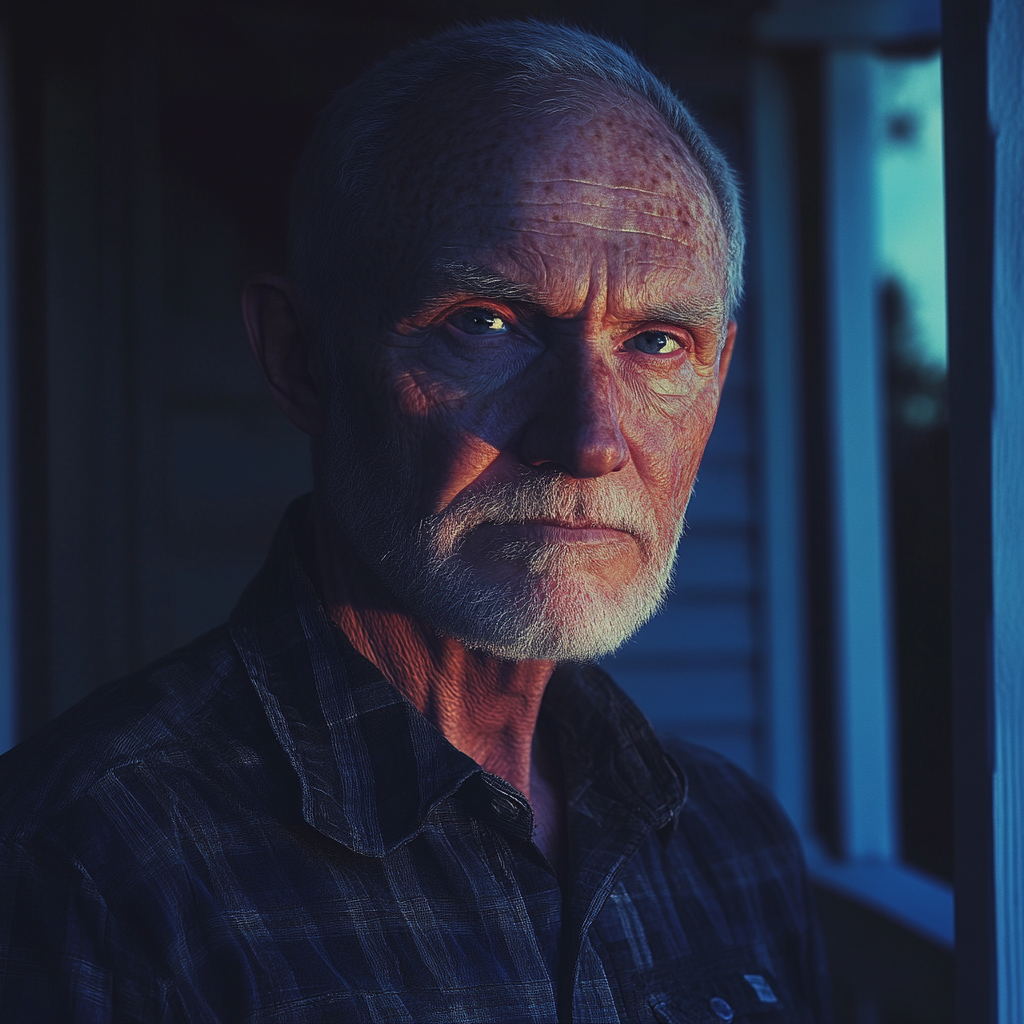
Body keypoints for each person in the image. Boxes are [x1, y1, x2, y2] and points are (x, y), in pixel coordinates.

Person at [0, 21, 829, 1023]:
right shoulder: (87, 862)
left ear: (718, 376)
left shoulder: (733, 845)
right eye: (486, 324)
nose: (590, 439)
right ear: (299, 356)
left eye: (656, 341)